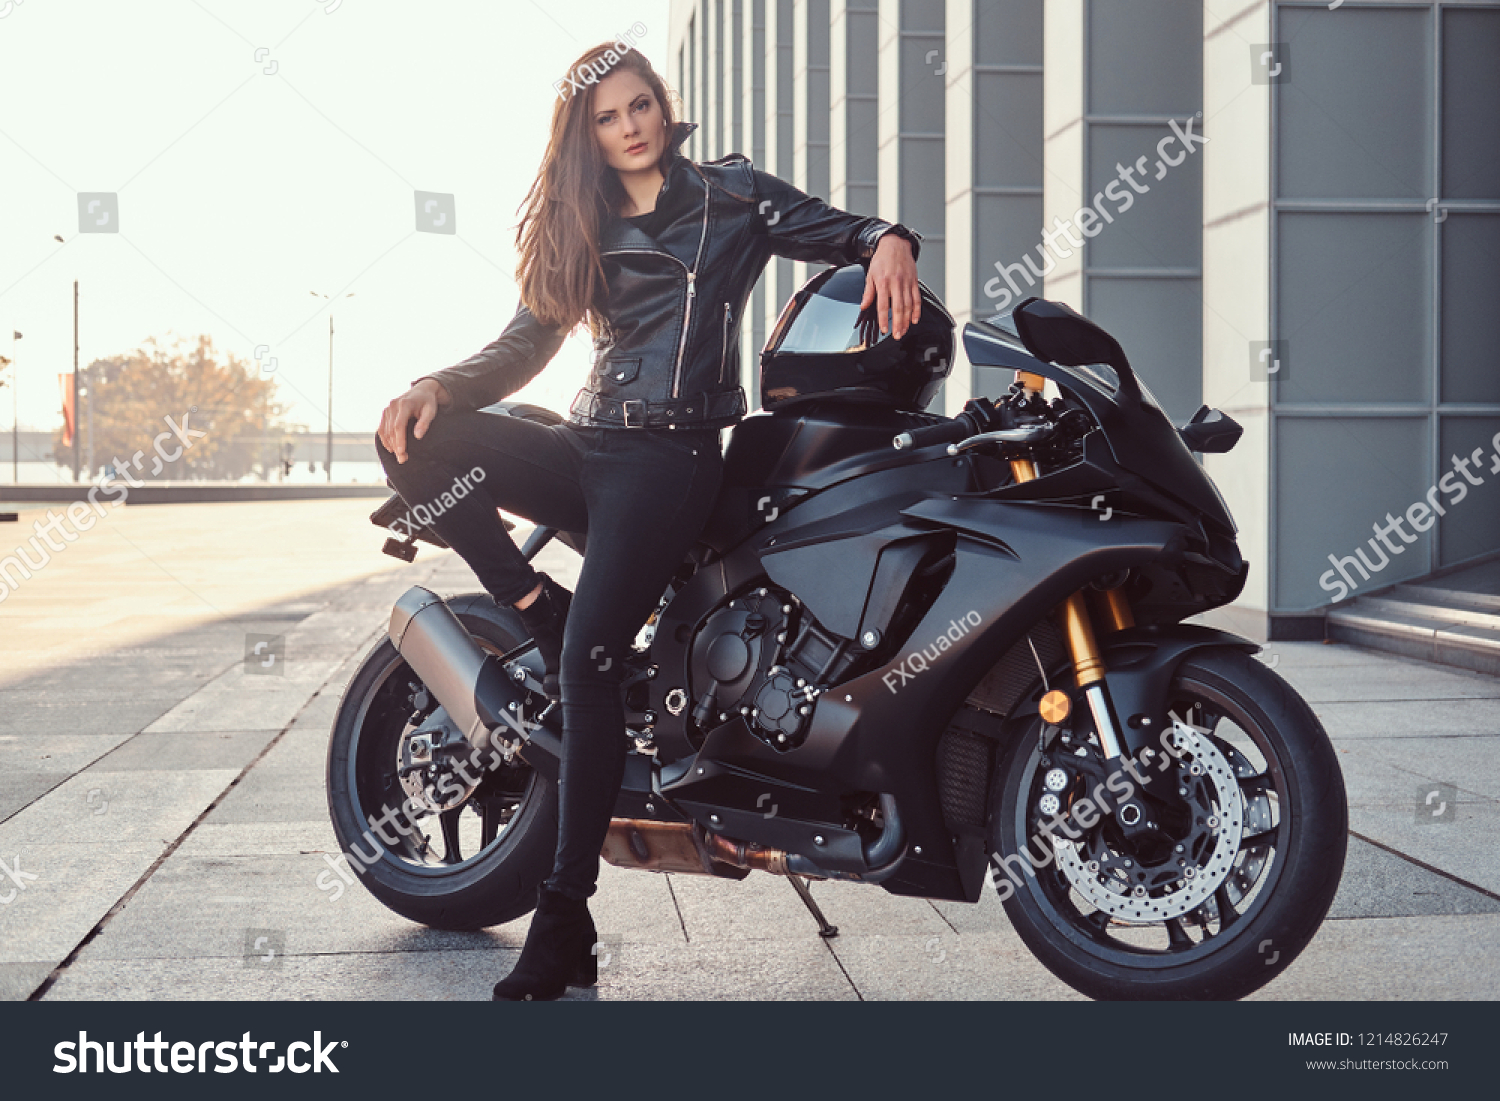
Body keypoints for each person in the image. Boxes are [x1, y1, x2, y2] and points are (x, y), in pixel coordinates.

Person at [374, 40, 922, 1001]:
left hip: (669, 459)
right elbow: (522, 346)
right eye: (609, 117)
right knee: (412, 438)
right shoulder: (582, 220)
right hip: (586, 444)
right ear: (587, 134)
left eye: (641, 106)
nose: (631, 127)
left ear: (663, 106)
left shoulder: (731, 195)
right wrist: (433, 385)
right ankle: (530, 599)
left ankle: (561, 921)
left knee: (588, 663)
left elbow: (838, 228)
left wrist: (890, 238)